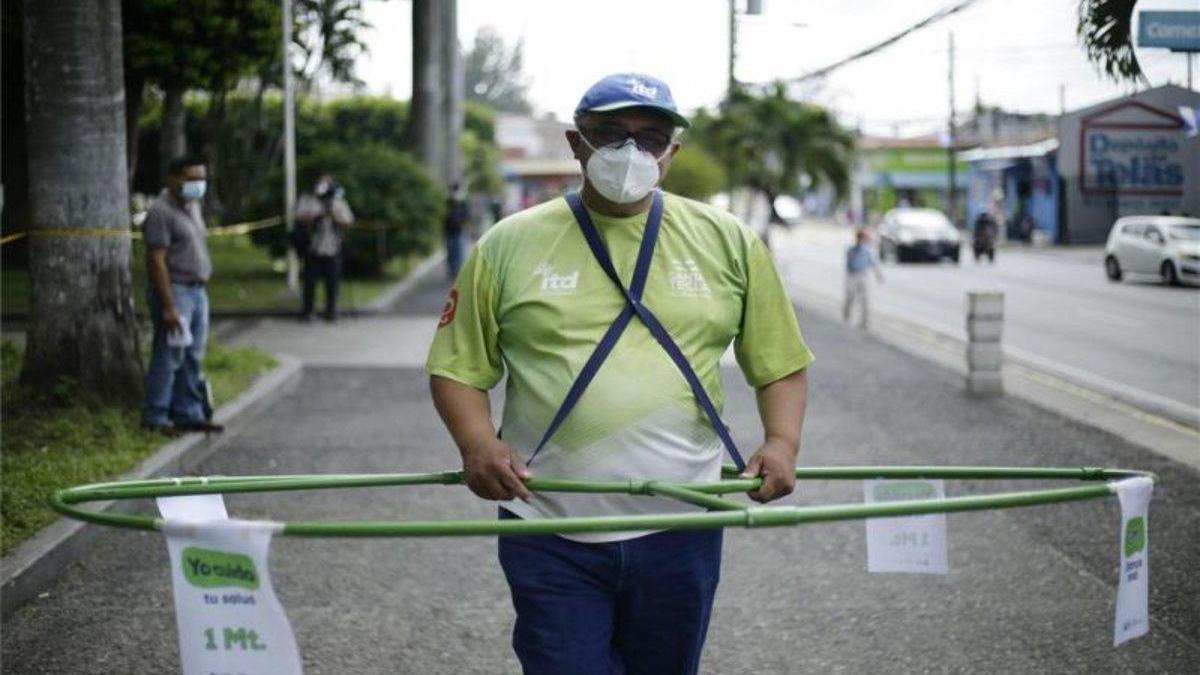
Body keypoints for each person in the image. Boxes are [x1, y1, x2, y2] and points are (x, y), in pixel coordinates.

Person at [426, 73, 814, 674]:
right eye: (610, 134)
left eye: (650, 138)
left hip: (683, 522)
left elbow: (781, 363)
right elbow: (457, 366)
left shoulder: (728, 241)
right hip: (550, 524)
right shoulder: (508, 245)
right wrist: (476, 444)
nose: (629, 153)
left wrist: (783, 442)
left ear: (672, 154)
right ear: (576, 143)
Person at [141, 156, 222, 436]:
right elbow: (156, 260)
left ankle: (189, 413)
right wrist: (169, 306)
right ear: (173, 179)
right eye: (191, 179)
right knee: (169, 354)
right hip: (176, 289)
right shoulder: (160, 212)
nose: (198, 185)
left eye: (202, 178)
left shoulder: (192, 206)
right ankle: (156, 416)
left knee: (192, 355)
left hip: (198, 290)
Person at [294, 173, 354, 321]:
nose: (324, 188)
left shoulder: (337, 201)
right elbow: (298, 216)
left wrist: (333, 214)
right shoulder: (309, 199)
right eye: (322, 184)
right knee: (309, 282)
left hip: (332, 248)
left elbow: (348, 221)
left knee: (332, 283)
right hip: (312, 248)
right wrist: (317, 215)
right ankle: (308, 311)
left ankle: (331, 311)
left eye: (327, 184)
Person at [843, 229, 884, 329]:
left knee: (865, 300)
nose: (863, 240)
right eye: (861, 238)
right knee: (850, 296)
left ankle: (864, 322)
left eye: (865, 238)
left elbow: (874, 263)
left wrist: (878, 275)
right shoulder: (851, 249)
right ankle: (846, 315)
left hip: (863, 275)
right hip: (852, 275)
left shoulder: (869, 250)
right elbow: (849, 262)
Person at [443, 181, 470, 279]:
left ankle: (457, 272)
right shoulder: (447, 202)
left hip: (459, 231)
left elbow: (466, 216)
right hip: (449, 232)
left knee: (458, 252)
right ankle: (452, 271)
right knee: (451, 253)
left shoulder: (462, 203)